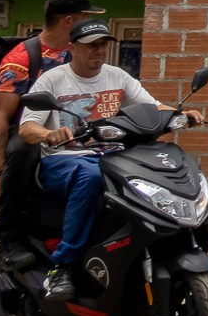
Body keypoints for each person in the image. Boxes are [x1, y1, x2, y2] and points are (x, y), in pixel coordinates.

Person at [18, 19, 185, 300]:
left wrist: (182, 114)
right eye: (91, 46)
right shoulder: (53, 80)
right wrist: (49, 133)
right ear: (72, 48)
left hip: (112, 155)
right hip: (65, 160)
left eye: (103, 45)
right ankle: (63, 265)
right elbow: (26, 129)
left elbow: (152, 106)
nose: (99, 51)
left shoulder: (117, 76)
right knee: (93, 177)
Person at [0, 0, 101, 268]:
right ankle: (6, 243)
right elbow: (0, 118)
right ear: (69, 21)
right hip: (32, 134)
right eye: (86, 16)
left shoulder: (81, 52)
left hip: (75, 133)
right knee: (25, 148)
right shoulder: (21, 59)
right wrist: (0, 173)